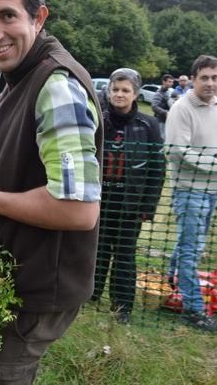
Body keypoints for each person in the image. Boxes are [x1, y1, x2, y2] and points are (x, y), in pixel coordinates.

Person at [0, 0, 103, 383]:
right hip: (19, 271)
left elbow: (78, 210)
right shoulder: (23, 74)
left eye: (7, 16)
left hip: (39, 285)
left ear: (38, 17)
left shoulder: (55, 86)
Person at [165, 54, 217, 333]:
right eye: (204, 77)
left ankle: (172, 279)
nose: (210, 83)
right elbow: (176, 151)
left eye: (215, 77)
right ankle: (193, 309)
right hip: (189, 190)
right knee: (192, 250)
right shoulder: (181, 108)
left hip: (213, 189)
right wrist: (216, 162)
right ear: (193, 79)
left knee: (189, 243)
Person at [92, 68, 165, 324]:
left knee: (124, 254)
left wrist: (148, 206)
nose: (119, 94)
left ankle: (122, 307)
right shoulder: (98, 120)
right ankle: (90, 296)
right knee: (97, 251)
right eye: (115, 89)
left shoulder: (148, 125)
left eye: (125, 90)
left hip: (130, 204)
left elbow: (157, 168)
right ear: (108, 91)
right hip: (100, 201)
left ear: (135, 94)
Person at [151, 73, 174, 139]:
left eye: (172, 82)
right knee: (161, 139)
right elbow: (154, 106)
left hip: (166, 121)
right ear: (164, 82)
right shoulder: (159, 93)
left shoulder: (167, 92)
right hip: (160, 121)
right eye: (169, 82)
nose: (171, 83)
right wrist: (165, 112)